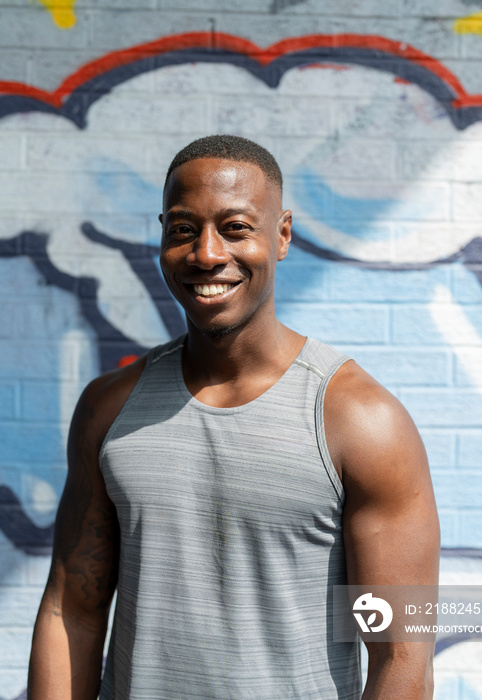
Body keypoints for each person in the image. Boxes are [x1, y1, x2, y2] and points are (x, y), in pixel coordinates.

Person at [28, 134, 440, 699]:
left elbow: (403, 656)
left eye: (236, 227)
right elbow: (71, 609)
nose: (207, 254)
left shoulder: (360, 420)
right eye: (182, 230)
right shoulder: (109, 408)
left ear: (283, 235)